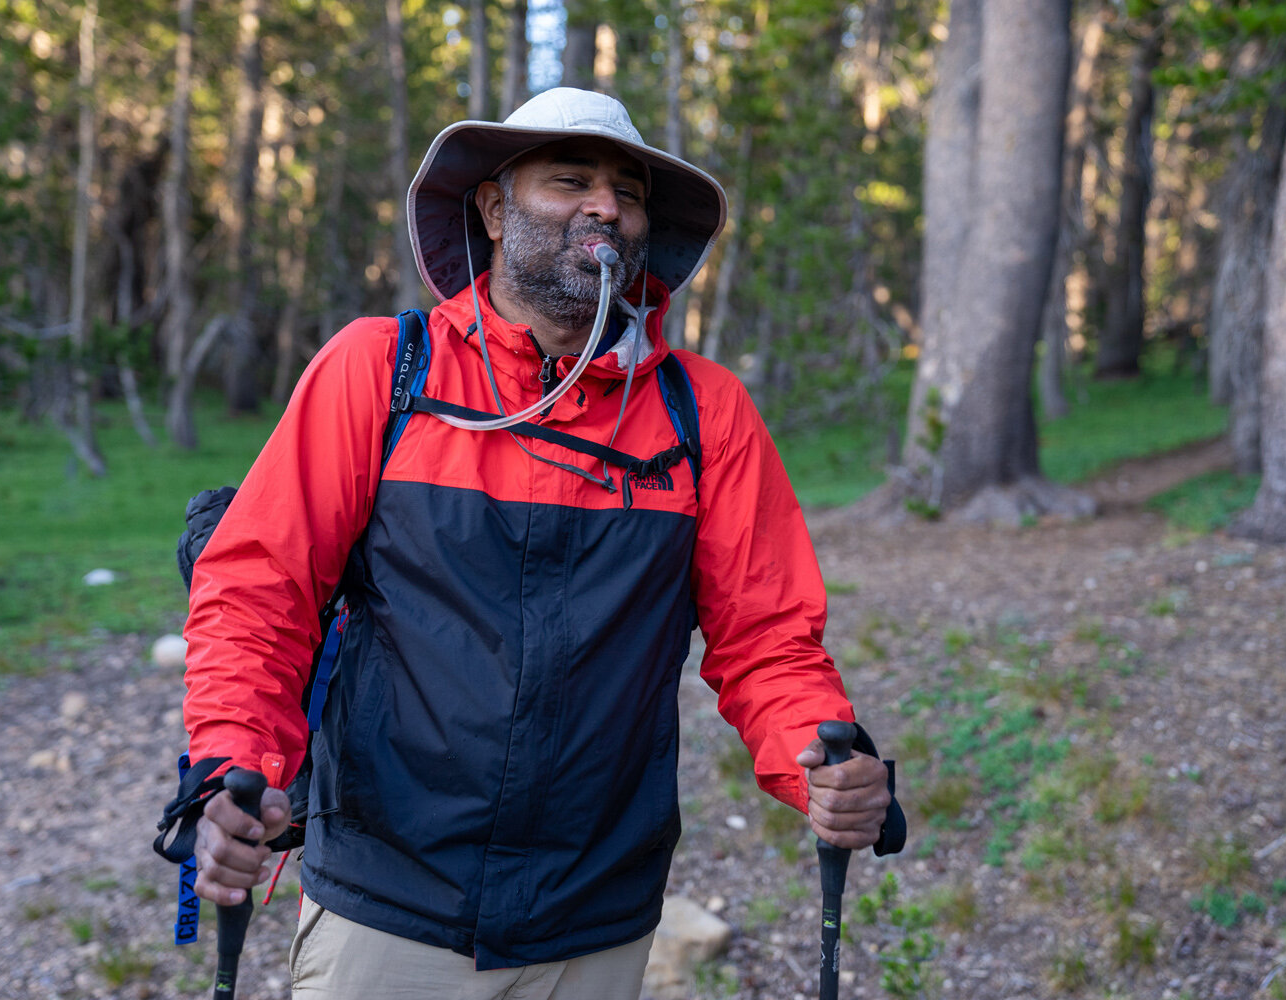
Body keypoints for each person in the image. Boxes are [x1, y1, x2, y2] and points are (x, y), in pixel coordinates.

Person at [175, 88, 905, 999]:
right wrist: (234, 767)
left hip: (597, 912)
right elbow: (259, 590)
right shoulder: (382, 370)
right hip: (388, 901)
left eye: (627, 192)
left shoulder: (701, 411)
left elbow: (767, 638)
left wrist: (822, 761)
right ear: (492, 208)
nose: (606, 205)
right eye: (571, 179)